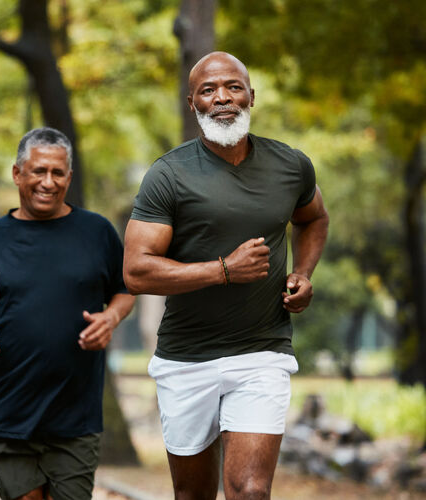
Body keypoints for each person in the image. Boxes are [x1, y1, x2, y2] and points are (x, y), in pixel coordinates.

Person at [123, 51, 330, 500]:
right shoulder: (168, 175)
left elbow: (314, 217)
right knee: (194, 495)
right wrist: (222, 271)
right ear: (192, 103)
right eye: (208, 90)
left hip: (261, 352)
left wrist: (303, 272)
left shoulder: (291, 165)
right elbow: (136, 271)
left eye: (233, 87)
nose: (222, 98)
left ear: (251, 96)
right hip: (186, 358)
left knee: (250, 491)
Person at [0, 127, 135, 500]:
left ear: (69, 176)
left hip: (76, 415)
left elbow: (124, 288)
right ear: (18, 173)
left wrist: (111, 318)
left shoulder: (97, 232)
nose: (48, 182)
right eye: (38, 171)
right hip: (9, 412)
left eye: (57, 173)